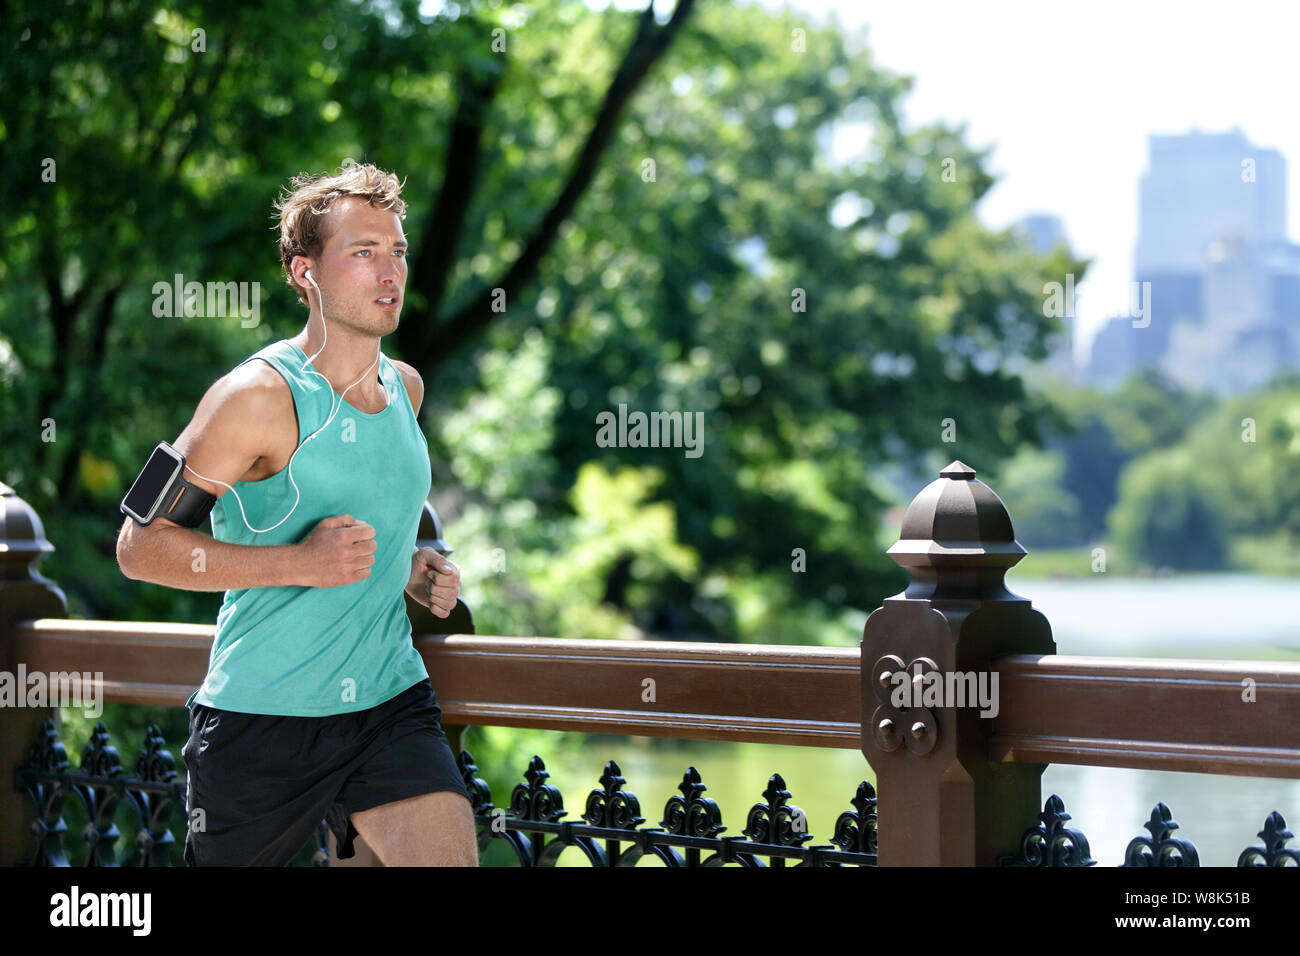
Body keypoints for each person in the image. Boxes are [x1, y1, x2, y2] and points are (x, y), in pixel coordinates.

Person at [115, 163, 478, 866]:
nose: (389, 272)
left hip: (388, 705)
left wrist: (408, 568)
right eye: (363, 252)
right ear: (304, 273)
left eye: (397, 250)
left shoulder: (406, 388)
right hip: (262, 723)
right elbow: (140, 546)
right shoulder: (253, 397)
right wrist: (299, 564)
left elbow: (360, 527)